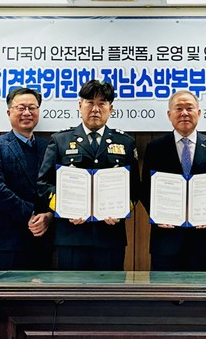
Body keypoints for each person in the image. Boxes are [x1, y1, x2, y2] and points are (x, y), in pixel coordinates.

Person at [37, 80, 139, 270]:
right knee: (72, 288)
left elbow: (134, 189)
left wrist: (120, 211)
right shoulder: (60, 140)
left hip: (110, 237)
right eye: (90, 103)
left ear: (111, 109)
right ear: (80, 105)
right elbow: (44, 184)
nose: (95, 109)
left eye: (102, 103)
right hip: (71, 236)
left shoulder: (125, 142)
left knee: (110, 288)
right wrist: (65, 208)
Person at [141, 90, 206, 271]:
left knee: (204, 288)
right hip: (166, 238)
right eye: (179, 108)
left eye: (189, 108)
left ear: (199, 112)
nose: (184, 113)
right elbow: (146, 189)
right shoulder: (155, 148)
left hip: (204, 239)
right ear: (169, 114)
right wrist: (158, 214)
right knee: (164, 288)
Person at [0, 88, 53, 270]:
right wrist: (30, 214)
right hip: (7, 242)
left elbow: (56, 186)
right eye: (21, 108)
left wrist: (49, 215)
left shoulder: (49, 147)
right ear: (9, 113)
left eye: (32, 108)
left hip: (43, 240)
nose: (27, 113)